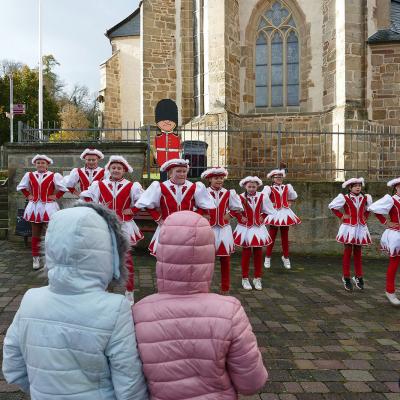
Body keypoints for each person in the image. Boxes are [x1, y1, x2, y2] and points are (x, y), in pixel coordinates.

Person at [2, 204, 148, 400]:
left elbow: (12, 365)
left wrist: (41, 390)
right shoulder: (115, 307)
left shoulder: (30, 299)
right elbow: (128, 380)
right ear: (107, 252)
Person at [133, 211, 268, 400]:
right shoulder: (229, 311)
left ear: (162, 252)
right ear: (208, 254)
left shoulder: (138, 312)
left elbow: (131, 382)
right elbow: (251, 383)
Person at [80, 155, 143, 304]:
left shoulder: (132, 185)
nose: (116, 170)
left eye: (119, 168)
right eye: (113, 168)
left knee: (127, 259)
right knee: (104, 257)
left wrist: (132, 210)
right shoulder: (99, 184)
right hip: (104, 225)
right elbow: (87, 198)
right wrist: (96, 210)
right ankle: (104, 288)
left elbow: (144, 200)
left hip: (124, 225)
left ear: (124, 170)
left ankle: (129, 290)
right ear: (108, 169)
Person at [135, 158, 215, 256]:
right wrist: (159, 219)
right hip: (167, 228)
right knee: (167, 257)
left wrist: (195, 217)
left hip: (189, 229)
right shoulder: (160, 187)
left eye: (184, 171)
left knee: (187, 257)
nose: (182, 174)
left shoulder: (195, 187)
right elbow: (147, 204)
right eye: (178, 171)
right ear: (170, 173)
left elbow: (204, 204)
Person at [16, 154, 67, 270]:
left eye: (43, 163)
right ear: (35, 164)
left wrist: (56, 196)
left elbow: (64, 187)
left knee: (50, 234)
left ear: (47, 164)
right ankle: (36, 257)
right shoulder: (29, 175)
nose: (40, 164)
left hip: (49, 207)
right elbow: (22, 187)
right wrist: (28, 195)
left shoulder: (54, 175)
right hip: (34, 207)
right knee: (35, 234)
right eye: (38, 163)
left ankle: (49, 259)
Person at [201, 167, 243, 294]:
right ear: (209, 179)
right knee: (207, 260)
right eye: (216, 178)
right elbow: (196, 205)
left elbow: (237, 207)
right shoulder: (203, 192)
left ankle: (225, 287)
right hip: (209, 229)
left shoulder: (229, 193)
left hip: (224, 229)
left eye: (221, 178)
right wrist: (203, 214)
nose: (219, 180)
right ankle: (204, 287)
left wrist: (230, 215)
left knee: (225, 259)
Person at [328, 177, 372, 291]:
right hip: (348, 227)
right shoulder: (344, 198)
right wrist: (341, 216)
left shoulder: (366, 197)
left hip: (360, 227)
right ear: (350, 187)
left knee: (358, 252)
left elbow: (369, 209)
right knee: (347, 252)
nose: (358, 187)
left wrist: (365, 217)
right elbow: (332, 207)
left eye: (359, 185)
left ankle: (358, 276)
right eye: (355, 185)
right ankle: (346, 277)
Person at [233, 176, 276, 291]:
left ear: (257, 186)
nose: (251, 188)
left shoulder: (263, 196)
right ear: (245, 186)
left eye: (254, 186)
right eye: (249, 186)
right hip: (245, 229)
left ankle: (258, 278)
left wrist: (263, 216)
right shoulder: (240, 197)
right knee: (246, 254)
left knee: (258, 253)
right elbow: (234, 210)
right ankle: (245, 278)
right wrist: (240, 217)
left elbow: (269, 209)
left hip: (258, 228)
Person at [368, 177, 400, 305]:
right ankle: (390, 291)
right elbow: (374, 209)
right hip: (397, 235)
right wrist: (386, 222)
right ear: (396, 187)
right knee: (394, 263)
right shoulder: (391, 200)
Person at [263, 169, 301, 270]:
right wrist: (270, 204)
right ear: (272, 178)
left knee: (285, 237)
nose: (279, 178)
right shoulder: (268, 188)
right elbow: (263, 198)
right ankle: (267, 257)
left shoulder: (287, 187)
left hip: (285, 213)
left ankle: (286, 257)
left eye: (280, 177)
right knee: (272, 236)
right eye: (276, 177)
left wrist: (290, 201)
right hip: (274, 214)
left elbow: (293, 196)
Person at [154, 99, 181, 181]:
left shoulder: (177, 137)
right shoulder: (158, 137)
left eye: (170, 119)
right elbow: (156, 150)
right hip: (162, 161)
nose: (167, 121)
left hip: (173, 160)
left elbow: (179, 150)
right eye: (163, 119)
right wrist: (156, 159)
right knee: (163, 177)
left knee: (172, 177)